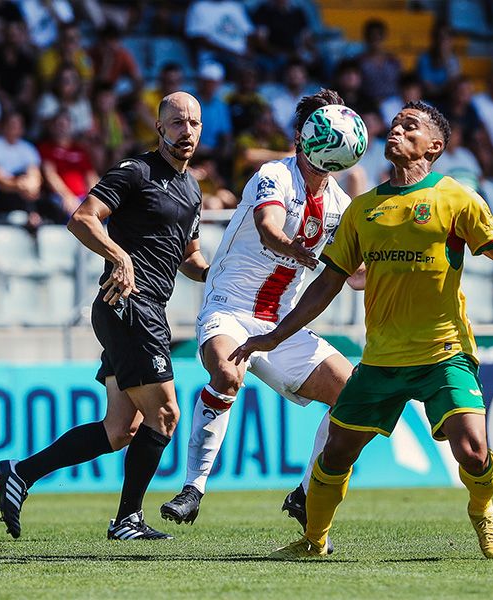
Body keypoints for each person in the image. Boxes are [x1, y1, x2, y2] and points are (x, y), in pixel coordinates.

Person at [231, 100, 493, 560]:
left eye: (409, 127)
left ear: (434, 146)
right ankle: (313, 541)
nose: (395, 131)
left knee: (473, 452)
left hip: (444, 352)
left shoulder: (456, 198)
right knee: (335, 454)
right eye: (393, 125)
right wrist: (273, 337)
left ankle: (483, 510)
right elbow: (327, 284)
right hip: (381, 360)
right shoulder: (363, 210)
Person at [0, 91, 210, 541]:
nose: (184, 131)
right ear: (159, 127)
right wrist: (119, 255)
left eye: (192, 123)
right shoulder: (136, 172)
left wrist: (224, 275)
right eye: (175, 122)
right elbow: (83, 218)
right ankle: (128, 519)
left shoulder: (192, 189)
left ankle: (20, 472)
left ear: (201, 129)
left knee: (121, 429)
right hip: (129, 304)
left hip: (141, 310)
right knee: (165, 415)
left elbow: (190, 257)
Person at [160, 90, 364, 554]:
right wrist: (305, 253)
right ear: (302, 136)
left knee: (353, 397)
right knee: (227, 373)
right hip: (230, 306)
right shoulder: (273, 175)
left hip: (282, 326)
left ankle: (308, 495)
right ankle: (193, 489)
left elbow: (354, 276)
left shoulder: (339, 203)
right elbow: (271, 231)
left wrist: (402, 271)